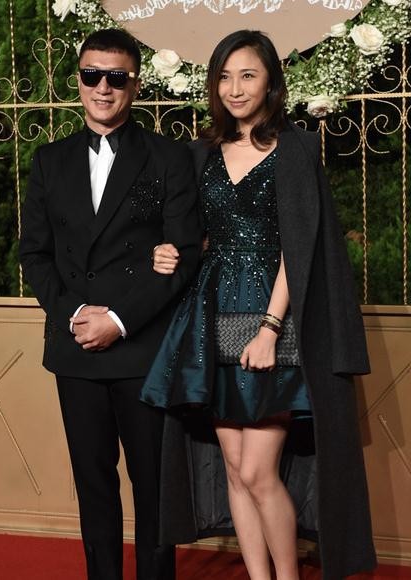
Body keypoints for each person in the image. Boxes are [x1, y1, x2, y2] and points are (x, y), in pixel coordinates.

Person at [141, 30, 377, 580]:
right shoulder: (200, 153)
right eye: (224, 77)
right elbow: (191, 235)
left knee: (257, 471)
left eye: (247, 75)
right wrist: (167, 250)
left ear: (270, 80)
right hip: (212, 315)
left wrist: (270, 328)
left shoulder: (295, 151)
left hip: (275, 318)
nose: (235, 88)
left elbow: (302, 248)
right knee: (233, 468)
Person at [19, 28, 201, 580]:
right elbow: (35, 254)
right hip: (75, 348)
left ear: (135, 85)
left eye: (116, 77)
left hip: (142, 348)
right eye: (92, 75)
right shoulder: (49, 160)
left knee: (153, 488)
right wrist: (76, 315)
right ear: (77, 81)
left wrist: (119, 320)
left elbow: (185, 254)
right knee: (93, 486)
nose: (103, 87)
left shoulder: (169, 158)